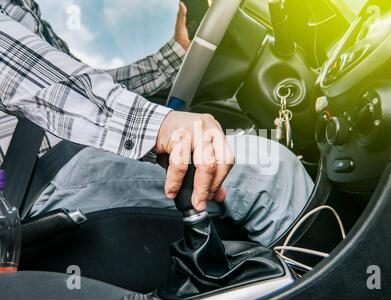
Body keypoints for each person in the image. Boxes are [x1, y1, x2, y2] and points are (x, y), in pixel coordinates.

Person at [0, 0, 313, 246]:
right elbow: (31, 77)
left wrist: (176, 54)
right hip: (28, 187)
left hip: (58, 166)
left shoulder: (24, 8)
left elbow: (78, 84)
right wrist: (161, 126)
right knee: (271, 173)